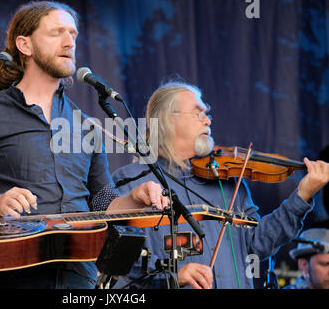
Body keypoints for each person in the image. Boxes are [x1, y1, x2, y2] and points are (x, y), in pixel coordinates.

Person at [0, 0, 168, 289]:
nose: (69, 42)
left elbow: (103, 203)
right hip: (13, 273)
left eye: (73, 34)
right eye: (57, 32)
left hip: (79, 278)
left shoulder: (87, 126)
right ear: (25, 45)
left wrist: (136, 197)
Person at [111, 79, 329, 289]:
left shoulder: (226, 179)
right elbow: (121, 264)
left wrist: (302, 195)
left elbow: (258, 243)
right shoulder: (131, 182)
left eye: (207, 114)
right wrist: (173, 277)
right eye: (198, 113)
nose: (208, 120)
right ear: (170, 120)